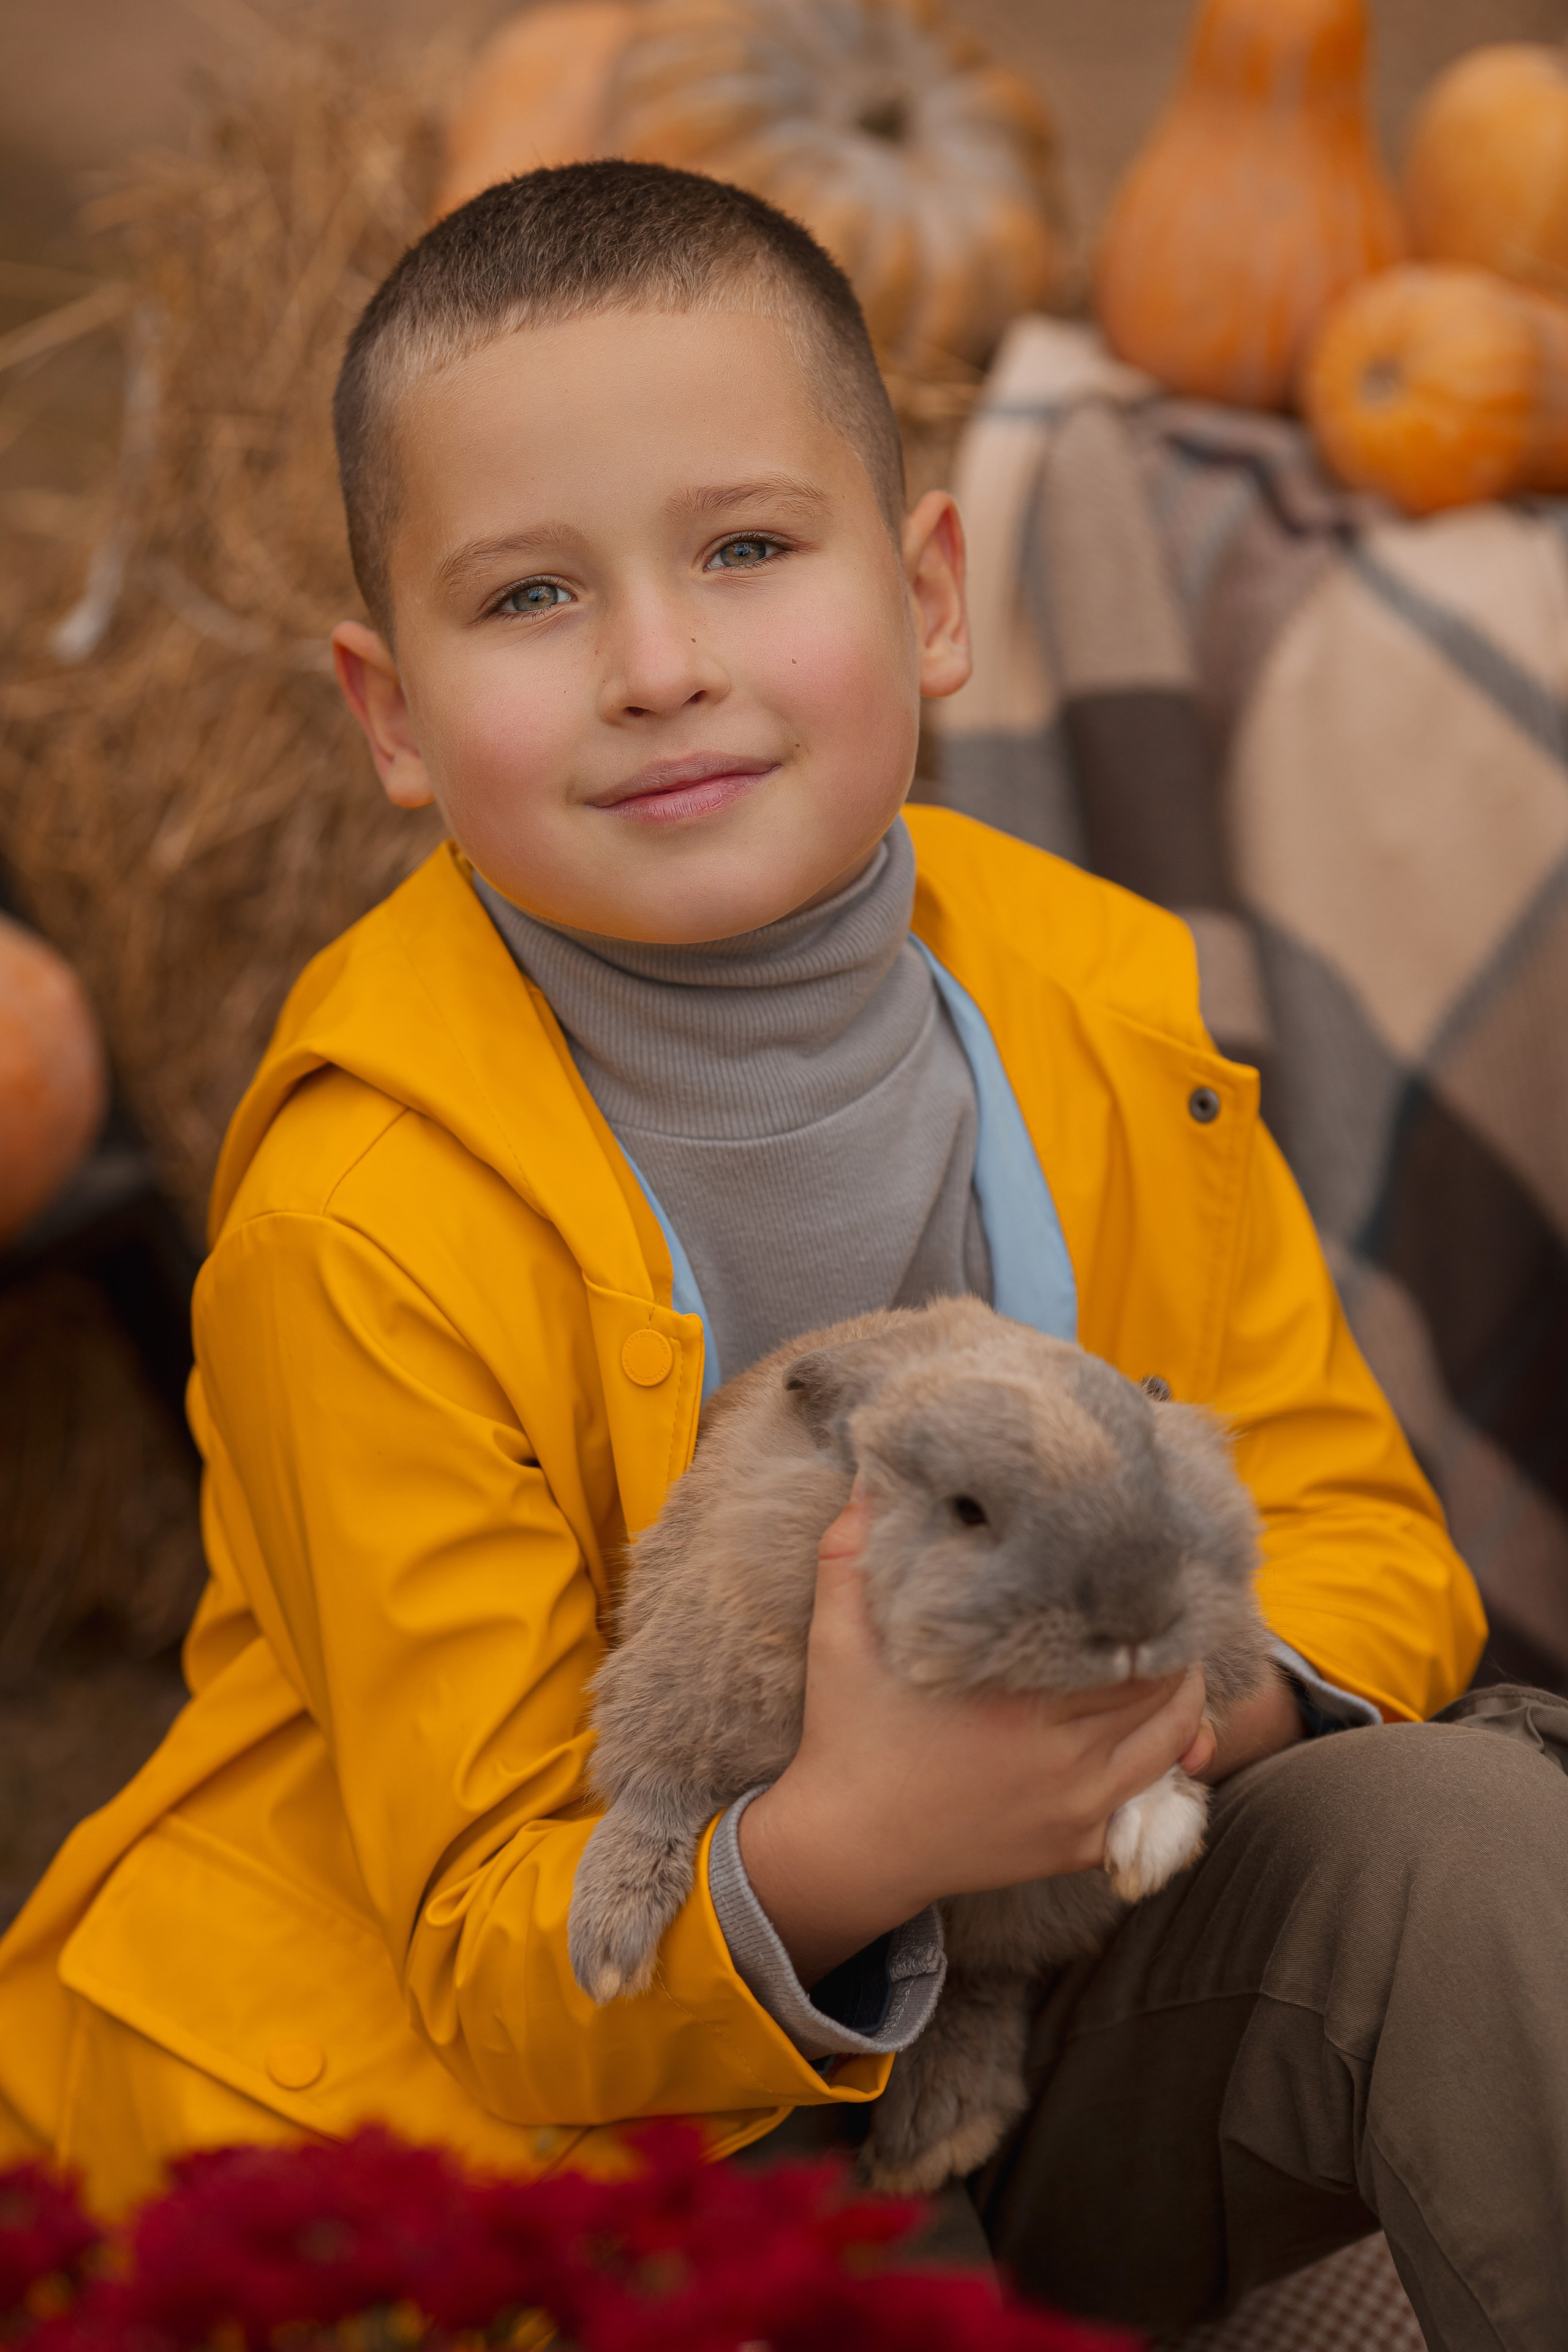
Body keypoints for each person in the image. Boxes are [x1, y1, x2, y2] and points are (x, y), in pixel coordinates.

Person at [0, 161, 1559, 2351]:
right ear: (392, 714)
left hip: (1050, 1993)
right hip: (560, 2138)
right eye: (531, 596)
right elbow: (502, 1949)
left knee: (1475, 1845)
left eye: (746, 549)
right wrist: (857, 1832)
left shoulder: (1104, 1018)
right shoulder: (360, 1223)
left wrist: (1151, 1719)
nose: (662, 668)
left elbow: (1356, 1534)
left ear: (929, 596)